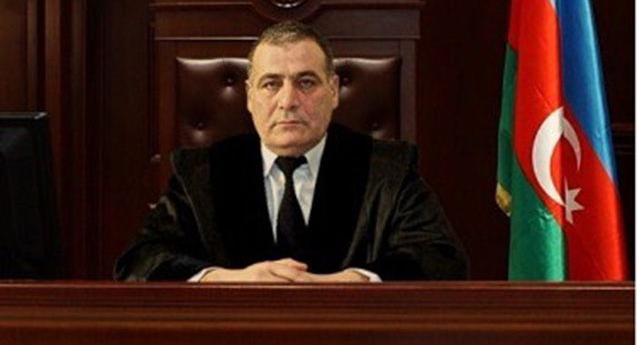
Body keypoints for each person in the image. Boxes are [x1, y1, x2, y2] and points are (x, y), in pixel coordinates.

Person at [114, 21, 468, 282]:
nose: (288, 101)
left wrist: (351, 282)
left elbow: (441, 259)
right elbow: (140, 261)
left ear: (333, 90)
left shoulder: (387, 169)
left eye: (306, 82)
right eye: (271, 84)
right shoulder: (202, 172)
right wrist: (229, 280)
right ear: (250, 96)